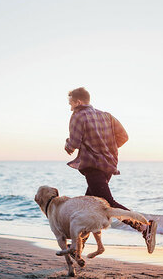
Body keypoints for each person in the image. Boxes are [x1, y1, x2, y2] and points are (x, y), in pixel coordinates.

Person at [64, 87, 157, 253]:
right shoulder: (106, 116)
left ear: (78, 102)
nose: (70, 106)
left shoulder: (78, 115)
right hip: (108, 166)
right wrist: (106, 148)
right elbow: (124, 137)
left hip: (93, 167)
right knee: (88, 205)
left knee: (109, 204)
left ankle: (145, 227)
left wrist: (68, 146)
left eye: (70, 102)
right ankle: (78, 246)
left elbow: (74, 143)